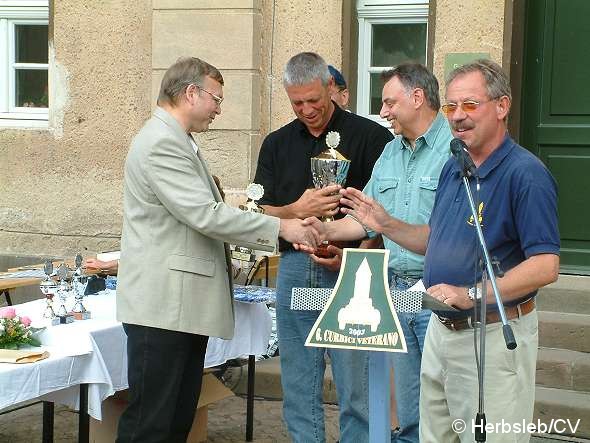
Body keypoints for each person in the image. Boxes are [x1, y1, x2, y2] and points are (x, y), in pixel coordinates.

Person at [310, 59, 560, 443]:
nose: (458, 117)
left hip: (490, 334)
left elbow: (545, 265)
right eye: (452, 107)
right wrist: (386, 224)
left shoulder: (525, 173)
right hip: (442, 331)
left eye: (470, 105)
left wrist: (470, 294)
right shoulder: (453, 167)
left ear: (502, 106)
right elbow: (435, 238)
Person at [115, 56, 320, 443]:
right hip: (163, 309)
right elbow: (206, 216)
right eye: (216, 98)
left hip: (178, 308)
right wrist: (283, 226)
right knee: (151, 425)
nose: (219, 109)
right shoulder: (161, 142)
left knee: (174, 422)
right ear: (191, 93)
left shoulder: (177, 140)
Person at [298, 62, 452, 442]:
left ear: (417, 98)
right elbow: (366, 221)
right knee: (409, 407)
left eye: (388, 103)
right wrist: (322, 229)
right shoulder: (391, 153)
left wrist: (381, 224)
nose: (382, 112)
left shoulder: (455, 150)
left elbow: (446, 235)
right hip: (397, 293)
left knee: (443, 410)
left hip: (442, 294)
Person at [254, 52, 393, 442]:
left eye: (314, 100)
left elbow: (385, 214)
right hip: (296, 267)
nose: (307, 110)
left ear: (331, 87)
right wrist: (295, 210)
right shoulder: (276, 143)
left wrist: (352, 255)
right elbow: (257, 210)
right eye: (297, 103)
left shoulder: (372, 137)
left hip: (353, 274)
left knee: (356, 386)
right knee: (299, 382)